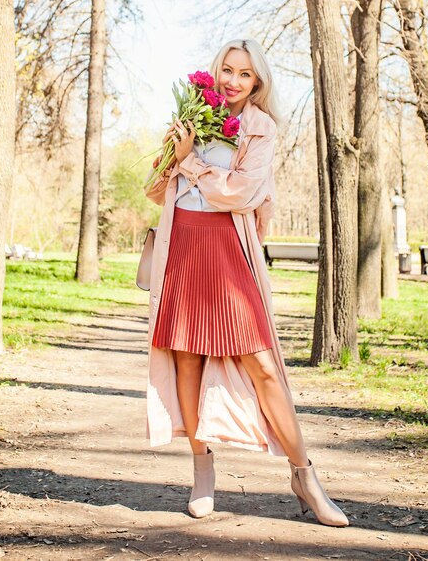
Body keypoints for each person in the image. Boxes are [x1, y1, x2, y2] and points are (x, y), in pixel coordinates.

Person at [144, 39, 349, 527]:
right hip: (183, 249)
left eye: (245, 74)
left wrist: (192, 162)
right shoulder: (194, 114)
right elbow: (156, 190)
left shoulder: (260, 129)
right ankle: (202, 470)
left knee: (263, 366)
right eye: (227, 71)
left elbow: (239, 193)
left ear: (257, 82)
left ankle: (304, 475)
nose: (233, 81)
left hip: (230, 253)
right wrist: (173, 152)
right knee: (187, 362)